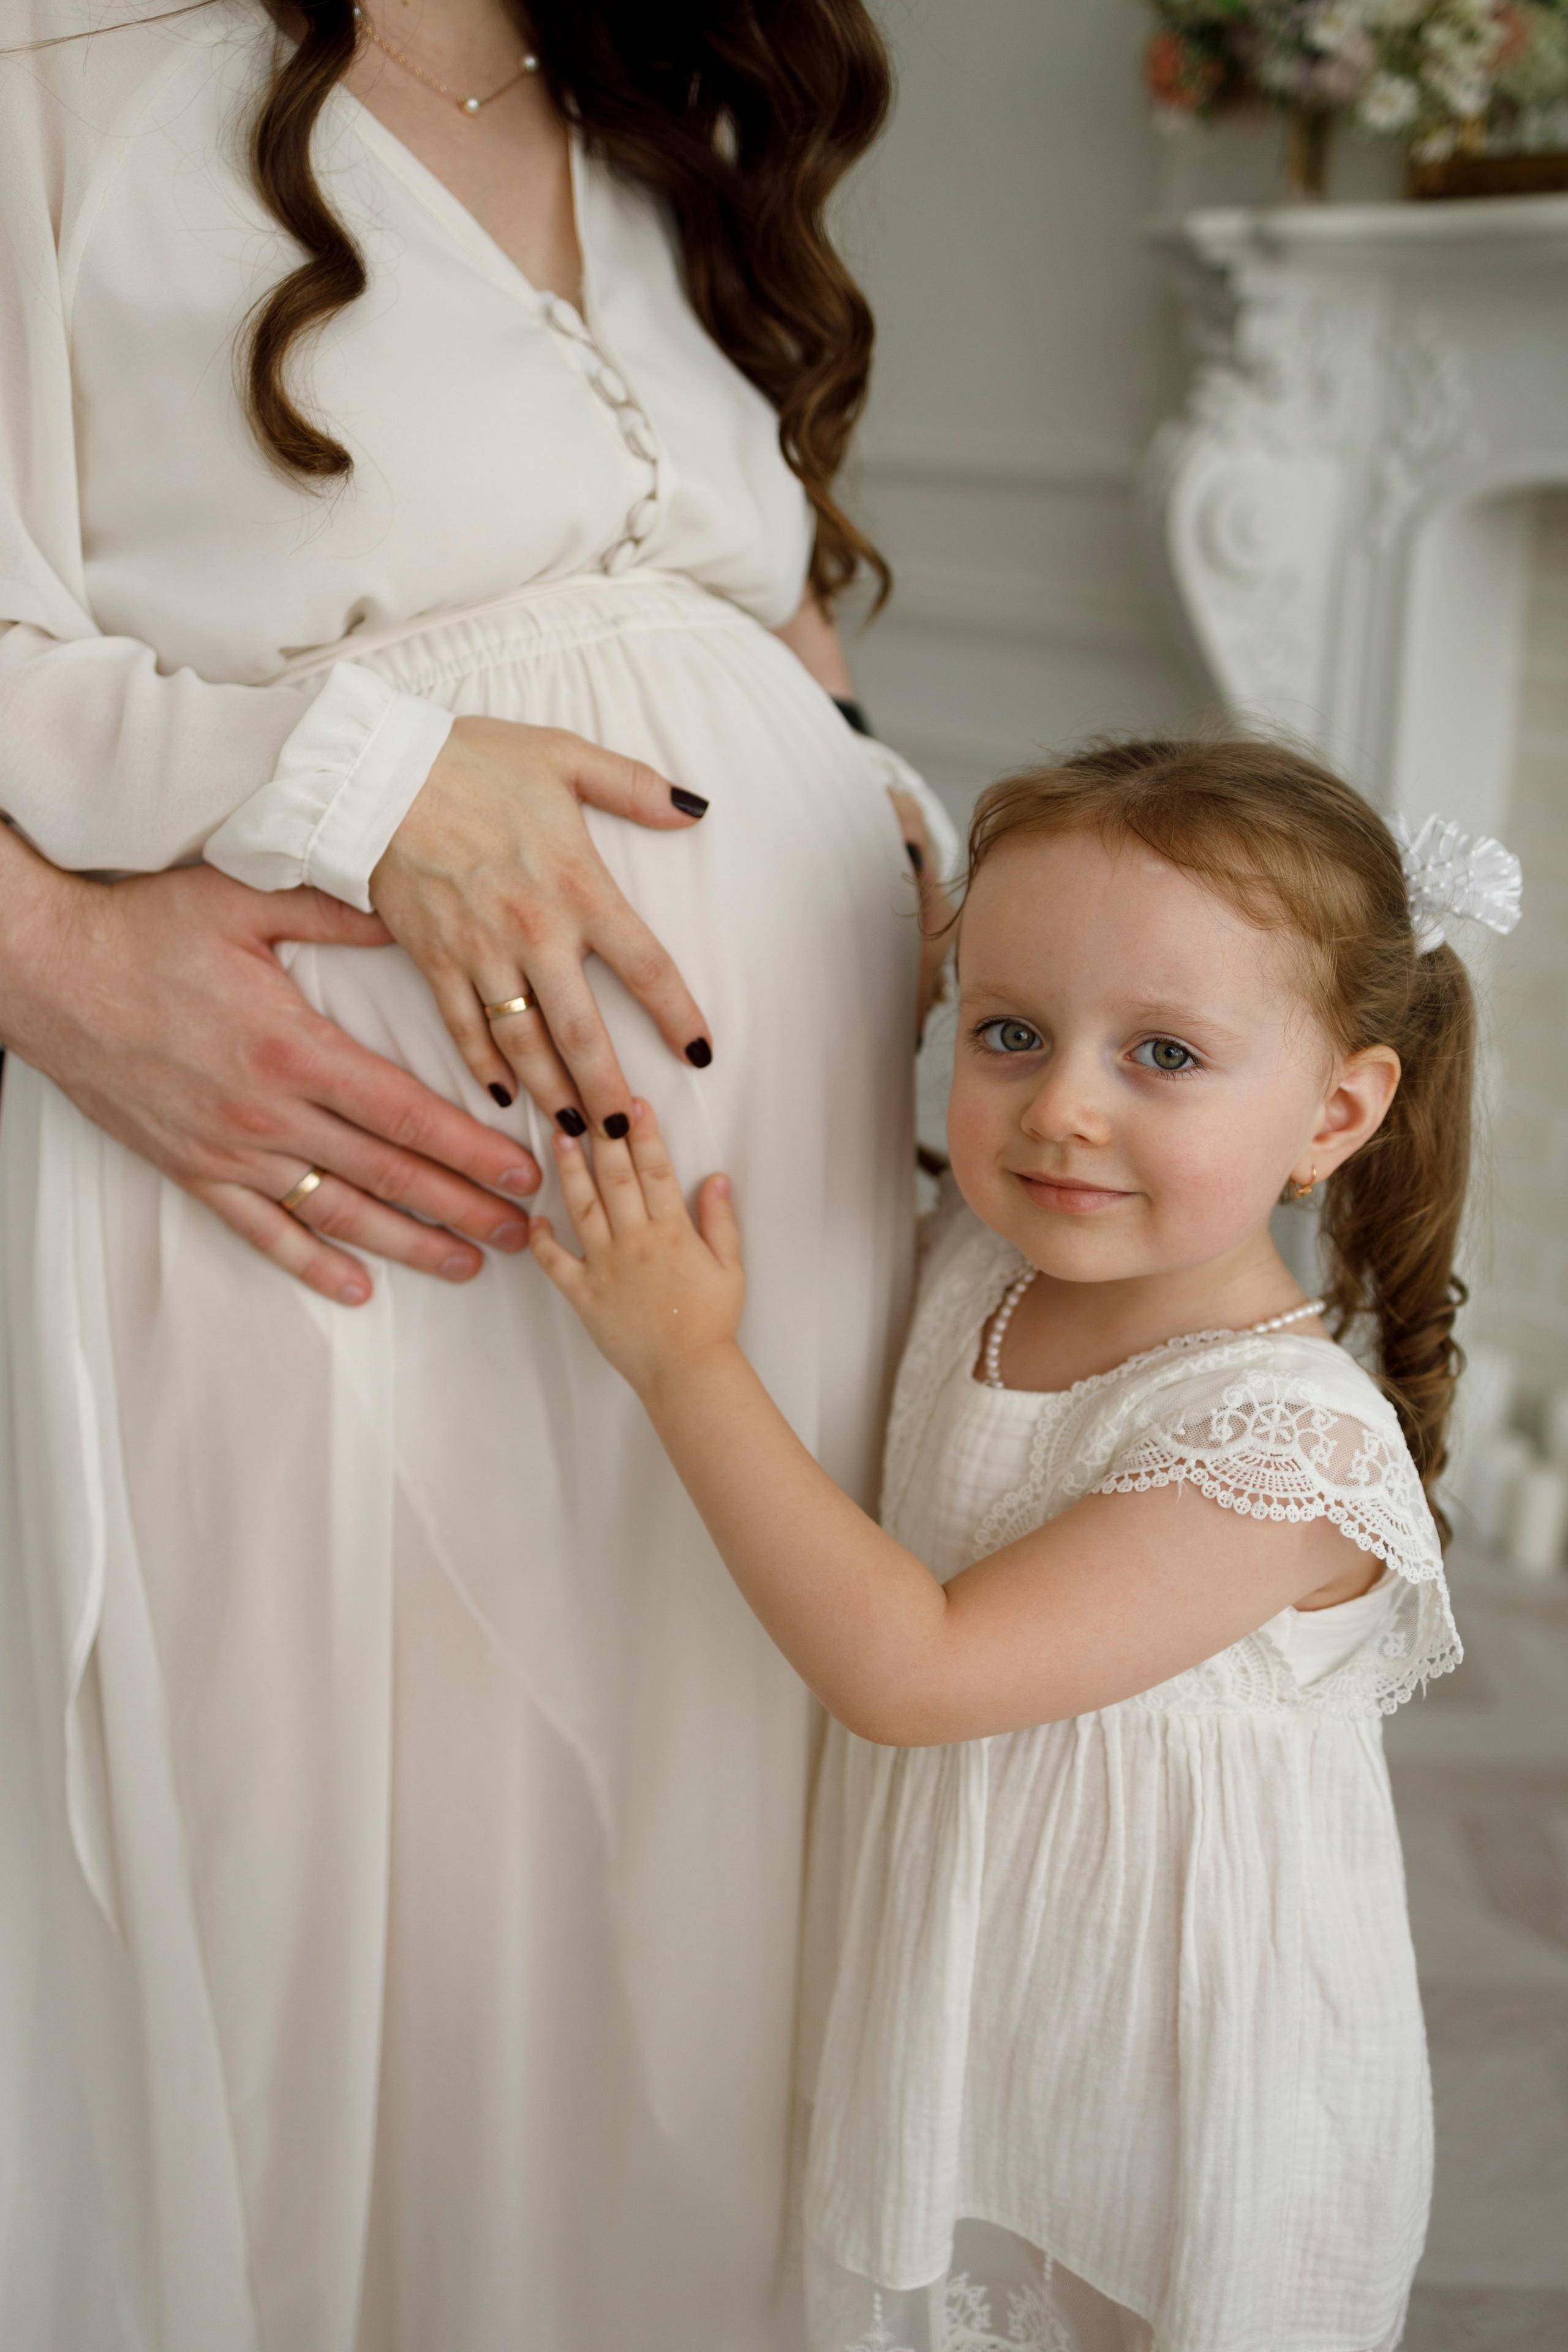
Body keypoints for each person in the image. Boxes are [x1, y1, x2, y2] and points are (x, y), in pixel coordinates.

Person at [0, 3, 948, 2345]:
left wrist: (882, 826)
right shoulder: (59, 62)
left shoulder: (662, 77)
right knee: (385, 1945)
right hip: (351, 1183)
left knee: (731, 1943)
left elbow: (751, 617)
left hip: (784, 1218)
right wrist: (357, 779)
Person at [530, 740, 1524, 2352]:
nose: (1061, 1105)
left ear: (1335, 1110)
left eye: (1164, 1053)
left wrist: (682, 1364)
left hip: (1175, 2095)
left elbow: (914, 1668)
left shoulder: (1283, 1443)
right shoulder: (966, 1272)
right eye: (1009, 1030)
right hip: (972, 2010)